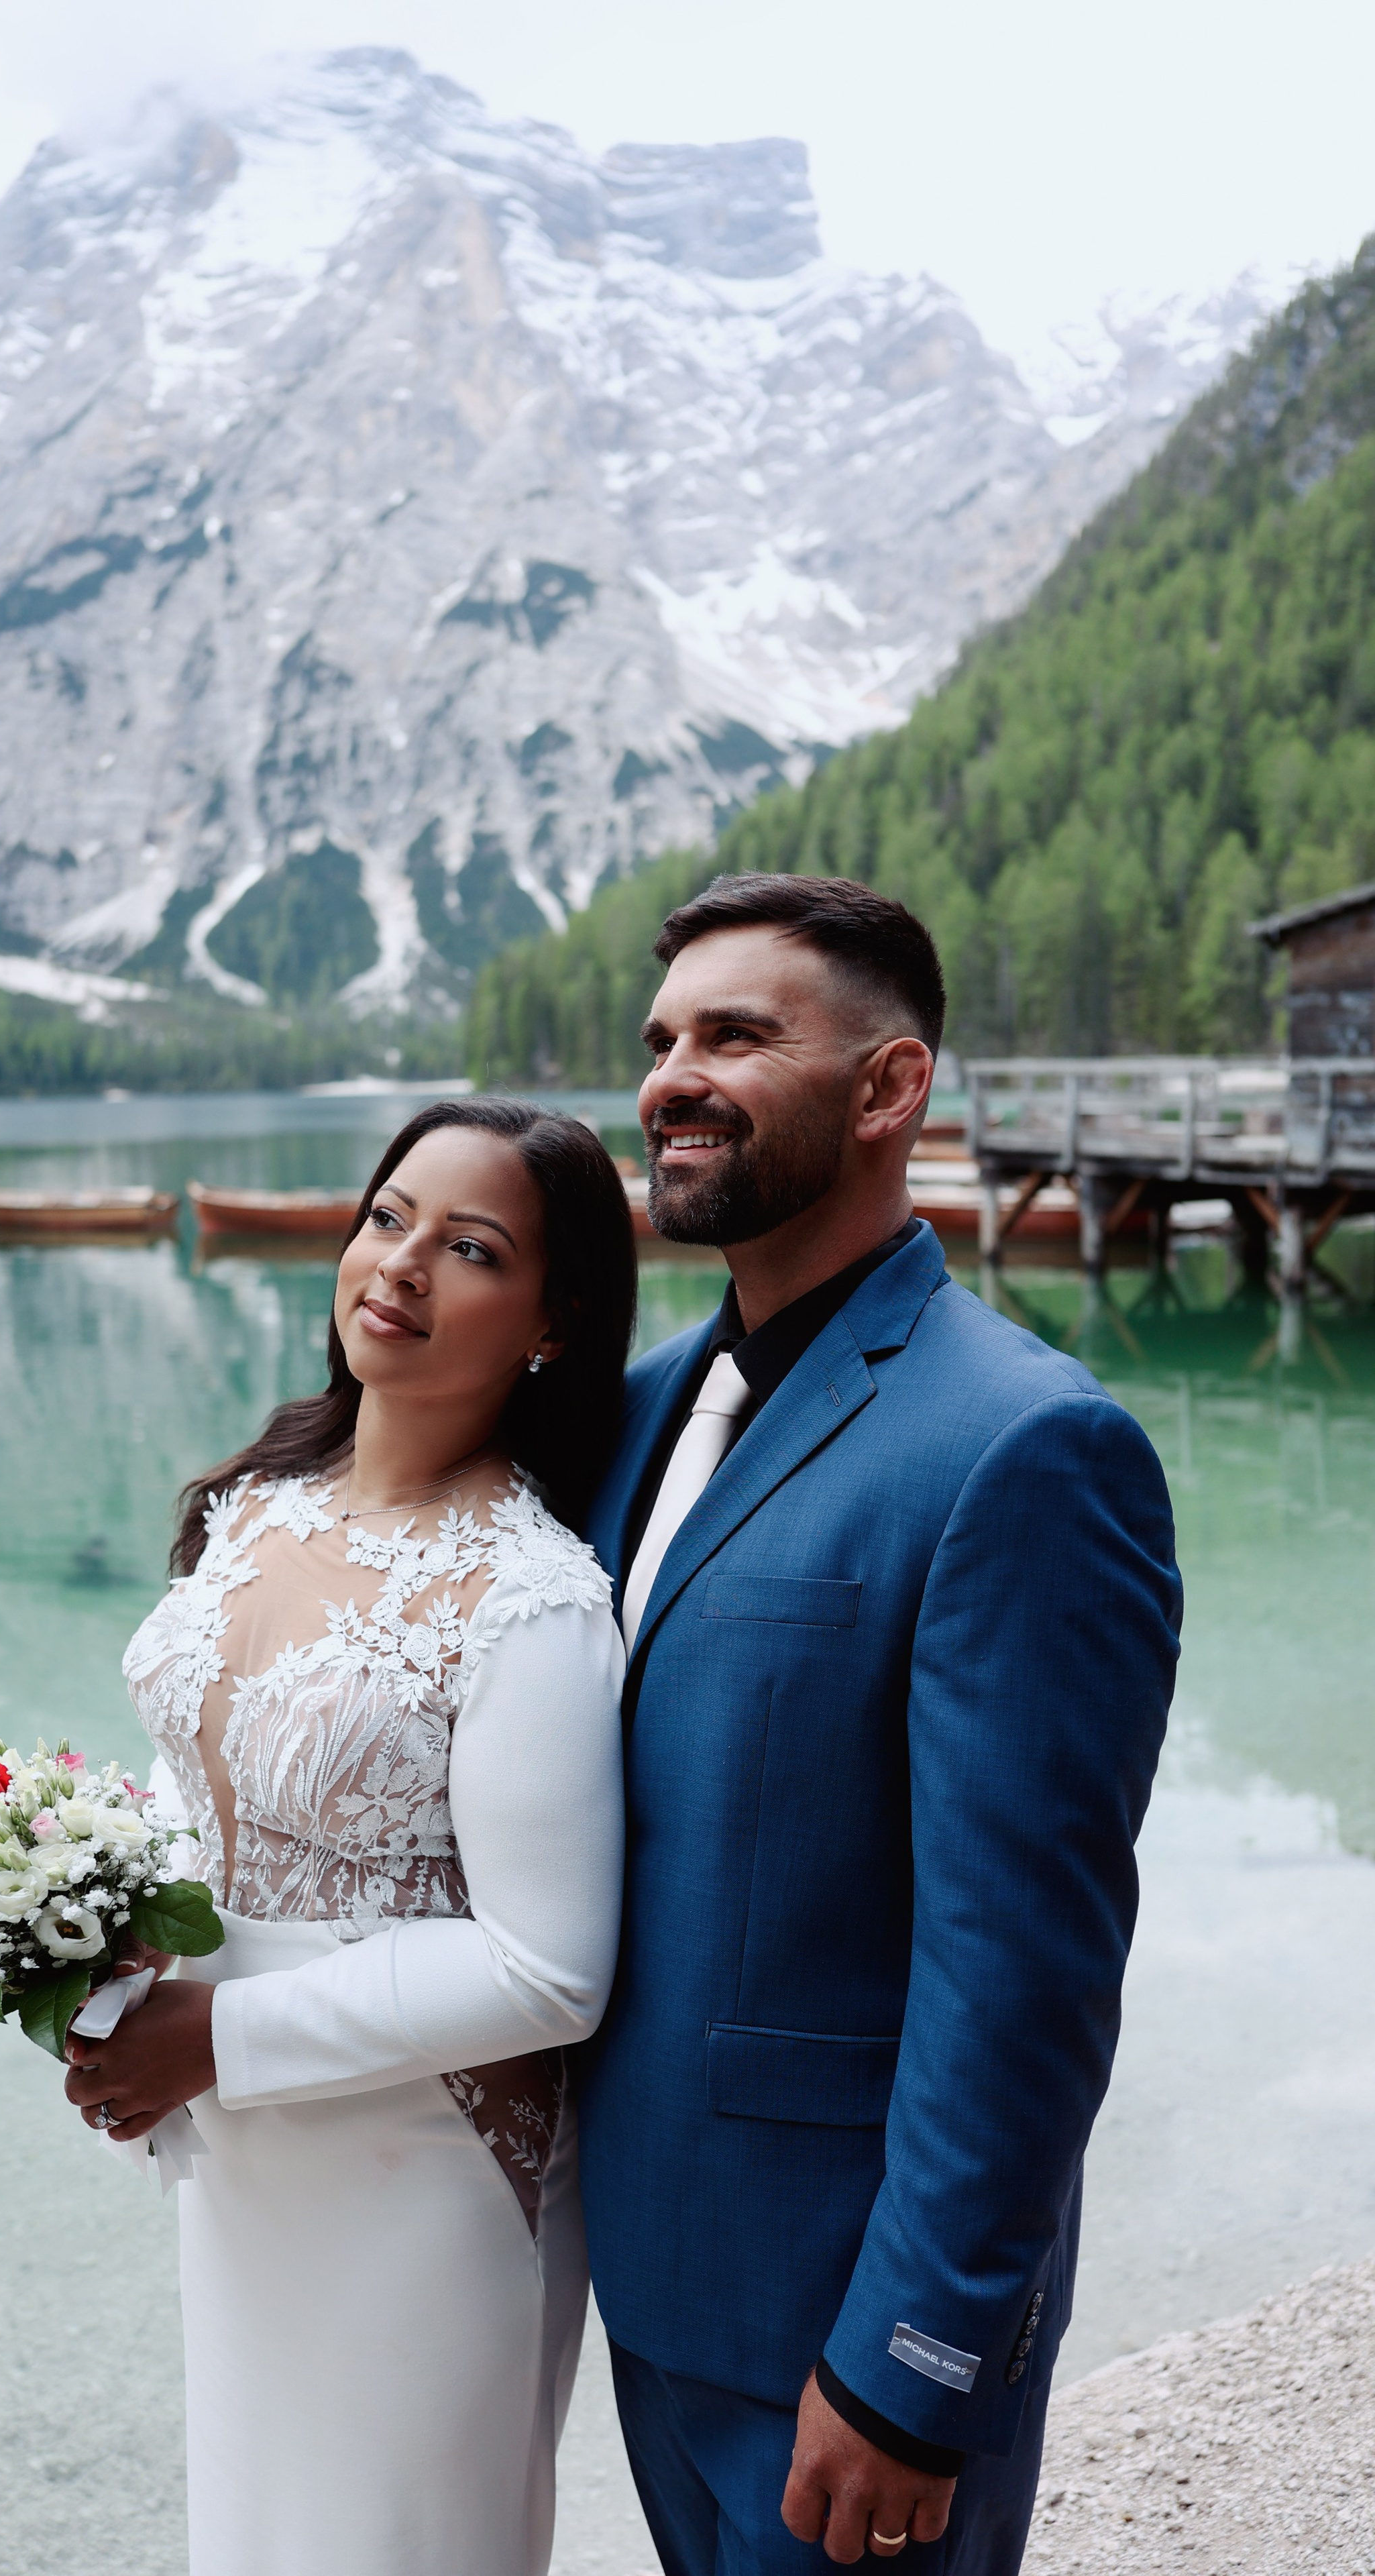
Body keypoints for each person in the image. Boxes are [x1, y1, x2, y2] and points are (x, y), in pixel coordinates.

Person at [578, 873, 1182, 2574]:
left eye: (734, 1035)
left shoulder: (1026, 1447)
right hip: (646, 2282)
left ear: (886, 1089)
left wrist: (917, 2366)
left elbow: (1024, 1965)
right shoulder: (632, 1419)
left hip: (843, 2338)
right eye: (659, 1039)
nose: (669, 1077)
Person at [62, 1099, 637, 2576]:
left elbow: (549, 1972)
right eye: (389, 1217)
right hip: (244, 2148)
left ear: (553, 1323)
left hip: (422, 2157)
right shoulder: (253, 1506)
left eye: (470, 1248)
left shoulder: (529, 1597)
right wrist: (101, 1939)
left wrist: (215, 2034)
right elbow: (208, 1792)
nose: (399, 1266)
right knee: (259, 2529)